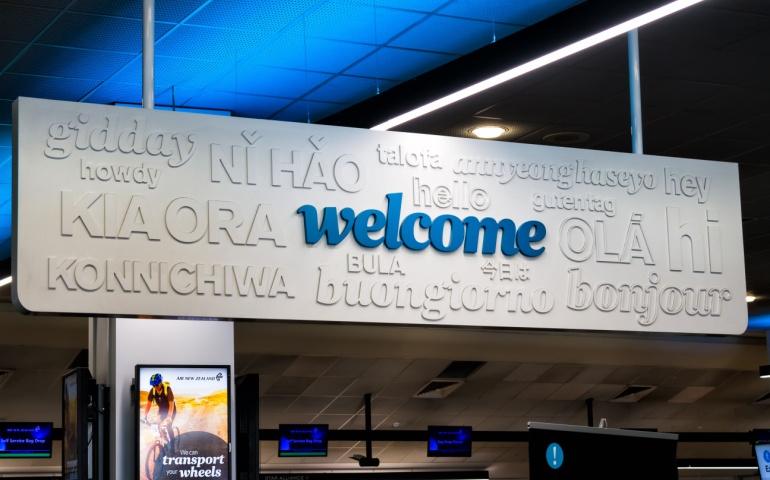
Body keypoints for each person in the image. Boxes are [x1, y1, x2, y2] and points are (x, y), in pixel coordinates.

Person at [143, 373, 176, 446]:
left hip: (171, 410)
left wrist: (169, 417)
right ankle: (163, 442)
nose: (155, 387)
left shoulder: (167, 389)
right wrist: (145, 416)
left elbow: (171, 404)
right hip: (162, 410)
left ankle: (173, 447)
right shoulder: (153, 391)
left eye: (157, 385)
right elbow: (148, 404)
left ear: (161, 383)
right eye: (153, 385)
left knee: (168, 426)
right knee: (157, 425)